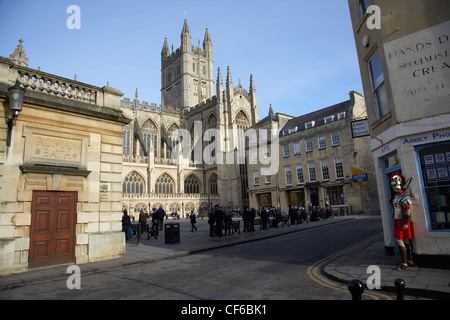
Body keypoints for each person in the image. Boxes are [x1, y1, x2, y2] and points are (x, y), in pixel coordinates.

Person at [390, 173, 414, 270]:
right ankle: (410, 260)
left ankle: (404, 262)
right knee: (405, 240)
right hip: (397, 221)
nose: (395, 187)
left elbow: (408, 210)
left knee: (400, 240)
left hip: (402, 221)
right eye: (393, 186)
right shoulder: (395, 196)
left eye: (396, 185)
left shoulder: (403, 197)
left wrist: (405, 223)